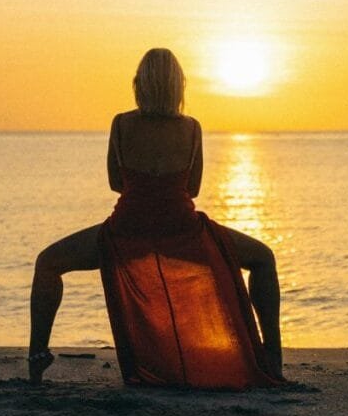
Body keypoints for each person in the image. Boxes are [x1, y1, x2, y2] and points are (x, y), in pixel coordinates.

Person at [28, 48, 284, 388]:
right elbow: (192, 189)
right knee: (263, 258)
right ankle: (273, 357)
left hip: (128, 235)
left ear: (139, 84)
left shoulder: (121, 124)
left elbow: (115, 183)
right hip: (182, 235)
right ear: (180, 86)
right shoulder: (191, 128)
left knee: (48, 262)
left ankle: (36, 356)